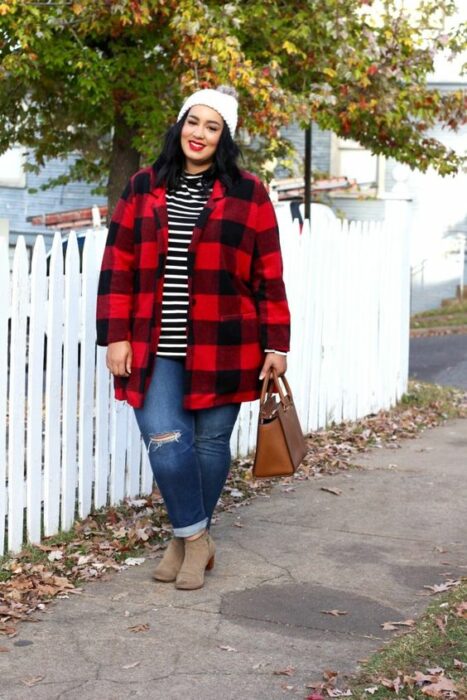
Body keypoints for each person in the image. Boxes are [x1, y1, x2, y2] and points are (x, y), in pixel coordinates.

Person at [96, 85, 291, 590]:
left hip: (227, 342)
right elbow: (117, 265)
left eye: (212, 126)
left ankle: (183, 541)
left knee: (209, 443)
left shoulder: (249, 192)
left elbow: (269, 274)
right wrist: (116, 336)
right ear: (178, 125)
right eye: (192, 121)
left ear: (224, 137)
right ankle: (198, 537)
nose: (198, 133)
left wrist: (277, 344)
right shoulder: (143, 186)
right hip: (155, 342)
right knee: (164, 440)